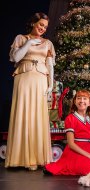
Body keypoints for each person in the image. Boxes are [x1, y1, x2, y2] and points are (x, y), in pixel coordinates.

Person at [5, 12, 55, 170]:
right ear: (33, 23)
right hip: (24, 78)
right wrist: (29, 43)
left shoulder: (48, 43)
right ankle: (20, 158)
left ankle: (36, 158)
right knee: (23, 114)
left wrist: (51, 85)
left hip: (40, 79)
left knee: (38, 116)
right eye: (40, 25)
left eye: (45, 27)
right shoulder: (21, 38)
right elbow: (15, 58)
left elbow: (50, 65)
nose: (42, 28)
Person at [43, 90, 90, 175]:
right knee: (88, 169)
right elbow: (71, 144)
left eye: (85, 98)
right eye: (78, 98)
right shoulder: (70, 118)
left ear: (89, 102)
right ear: (75, 101)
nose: (81, 101)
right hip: (76, 149)